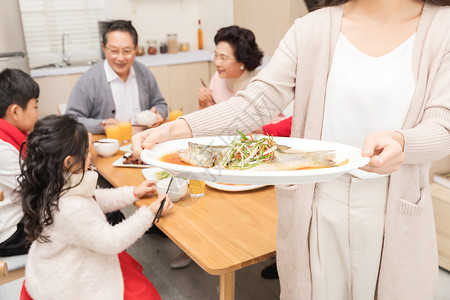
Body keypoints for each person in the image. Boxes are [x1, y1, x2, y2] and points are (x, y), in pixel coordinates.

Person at [132, 0, 450, 299]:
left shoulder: (442, 28)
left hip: (395, 206)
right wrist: (174, 128)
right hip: (317, 204)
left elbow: (443, 123)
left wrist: (403, 142)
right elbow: (258, 102)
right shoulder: (311, 28)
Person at [17, 115, 173, 299]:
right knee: (145, 293)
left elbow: (95, 198)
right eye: (86, 152)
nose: (89, 156)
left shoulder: (52, 183)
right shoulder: (71, 208)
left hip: (56, 261)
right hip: (70, 282)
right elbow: (112, 241)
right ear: (68, 162)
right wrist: (149, 213)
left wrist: (133, 193)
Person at [65, 20, 168, 134]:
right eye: (114, 51)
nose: (120, 58)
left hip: (144, 139)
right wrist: (102, 125)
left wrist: (158, 113)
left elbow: (160, 104)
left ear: (135, 48)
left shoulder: (143, 72)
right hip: (109, 144)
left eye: (127, 51)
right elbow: (71, 120)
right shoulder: (89, 80)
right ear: (104, 48)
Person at [0, 68, 40, 257]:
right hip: (9, 232)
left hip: (19, 214)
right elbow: (36, 189)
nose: (38, 113)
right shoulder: (3, 149)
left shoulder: (12, 136)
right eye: (35, 106)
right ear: (15, 111)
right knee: (105, 219)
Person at [198, 25, 263, 109]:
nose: (217, 62)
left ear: (242, 61)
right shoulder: (217, 78)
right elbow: (208, 117)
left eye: (223, 57)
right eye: (216, 55)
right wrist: (203, 104)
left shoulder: (259, 85)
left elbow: (276, 120)